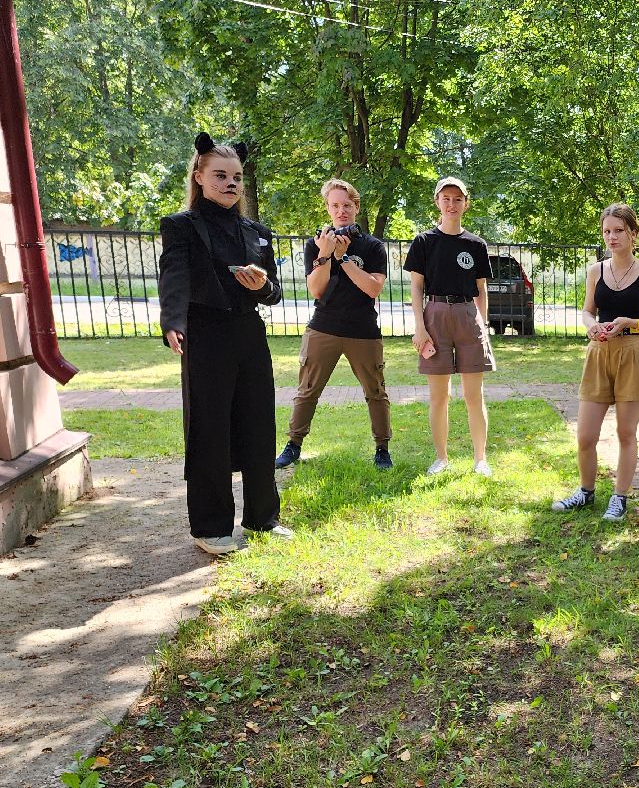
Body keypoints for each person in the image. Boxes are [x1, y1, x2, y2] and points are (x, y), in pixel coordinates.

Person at [159, 133, 291, 557]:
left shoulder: (256, 231)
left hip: (249, 334)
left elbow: (275, 293)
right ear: (199, 177)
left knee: (259, 426)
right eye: (220, 175)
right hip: (205, 334)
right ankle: (211, 527)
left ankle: (263, 518)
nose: (231, 183)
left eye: (236, 177)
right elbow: (174, 274)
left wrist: (261, 285)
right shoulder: (181, 226)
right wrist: (173, 321)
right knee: (210, 429)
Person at [552, 204, 639, 521]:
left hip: (632, 352)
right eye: (607, 231)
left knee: (625, 433)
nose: (612, 237)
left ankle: (620, 497)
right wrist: (591, 325)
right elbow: (587, 310)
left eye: (619, 230)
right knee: (585, 435)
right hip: (599, 352)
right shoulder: (596, 271)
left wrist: (632, 322)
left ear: (633, 233)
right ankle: (585, 492)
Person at [275, 179, 392, 470]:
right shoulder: (316, 244)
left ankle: (382, 449)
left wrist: (344, 258)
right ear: (328, 208)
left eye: (347, 205)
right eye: (335, 205)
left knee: (376, 392)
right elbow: (316, 289)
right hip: (323, 327)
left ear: (356, 207)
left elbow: (373, 288)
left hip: (363, 330)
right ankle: (293, 445)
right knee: (307, 389)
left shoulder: (373, 247)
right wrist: (325, 254)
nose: (341, 211)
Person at [405, 177, 496, 477]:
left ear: (466, 204)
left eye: (458, 199)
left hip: (468, 317)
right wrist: (420, 328)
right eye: (446, 198)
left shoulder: (476, 245)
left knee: (474, 395)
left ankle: (480, 459)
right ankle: (441, 458)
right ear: (437, 202)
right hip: (435, 316)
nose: (452, 204)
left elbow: (481, 290)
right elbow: (416, 287)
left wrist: (483, 325)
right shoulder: (424, 242)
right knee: (439, 395)